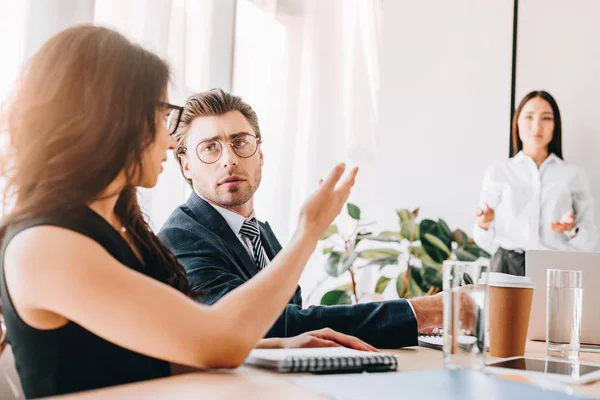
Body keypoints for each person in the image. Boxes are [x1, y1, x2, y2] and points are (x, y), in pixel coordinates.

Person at [0, 25, 376, 399]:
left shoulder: (116, 230)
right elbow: (217, 342)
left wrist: (278, 347)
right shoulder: (46, 247)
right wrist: (309, 231)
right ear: (113, 120)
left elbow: (156, 354)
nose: (168, 139)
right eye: (162, 115)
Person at [159, 89, 446, 349]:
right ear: (186, 165)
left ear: (260, 154)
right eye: (210, 147)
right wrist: (424, 311)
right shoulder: (180, 237)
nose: (229, 159)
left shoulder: (259, 233)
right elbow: (268, 327)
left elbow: (295, 324)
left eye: (240, 142)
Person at [473, 90, 598, 276]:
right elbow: (483, 240)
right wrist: (484, 224)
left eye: (546, 118)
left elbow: (591, 242)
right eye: (529, 117)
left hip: (556, 270)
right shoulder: (498, 173)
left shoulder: (574, 175)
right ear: (517, 122)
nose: (537, 126)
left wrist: (572, 229)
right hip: (506, 269)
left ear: (556, 125)